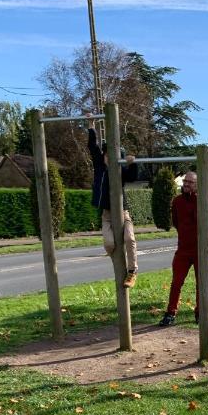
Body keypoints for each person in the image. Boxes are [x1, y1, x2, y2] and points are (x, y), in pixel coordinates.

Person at [159, 171, 208, 327]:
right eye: (185, 181)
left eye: (190, 182)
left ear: (198, 185)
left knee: (202, 283)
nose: (186, 184)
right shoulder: (177, 201)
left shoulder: (205, 202)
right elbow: (176, 222)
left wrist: (204, 244)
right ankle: (170, 313)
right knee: (176, 282)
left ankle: (200, 313)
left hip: (200, 251)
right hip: (183, 251)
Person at [87, 118, 139, 288]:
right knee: (109, 244)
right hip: (107, 215)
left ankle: (132, 272)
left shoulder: (120, 170)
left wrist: (132, 164)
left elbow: (132, 177)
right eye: (106, 155)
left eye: (113, 156)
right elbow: (92, 147)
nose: (109, 158)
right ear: (103, 156)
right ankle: (119, 263)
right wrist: (91, 126)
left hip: (123, 212)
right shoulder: (99, 167)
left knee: (129, 239)